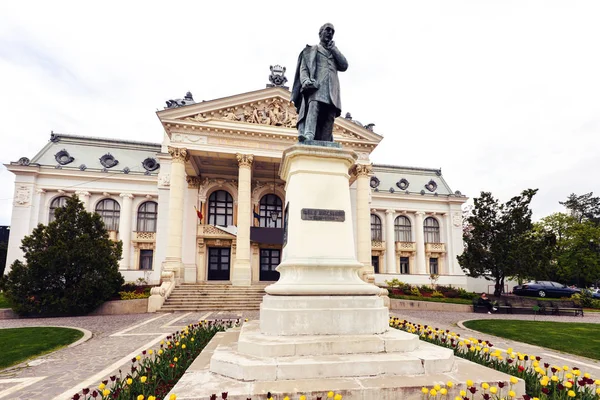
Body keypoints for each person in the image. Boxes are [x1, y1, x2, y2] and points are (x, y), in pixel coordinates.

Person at [290, 23, 349, 142]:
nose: (330, 33)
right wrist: (306, 80)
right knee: (314, 107)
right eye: (327, 30)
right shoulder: (310, 51)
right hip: (316, 87)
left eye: (332, 31)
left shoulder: (334, 53)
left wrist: (334, 49)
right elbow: (304, 69)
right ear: (320, 33)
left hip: (332, 90)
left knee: (329, 116)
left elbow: (344, 65)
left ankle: (326, 140)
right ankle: (309, 135)